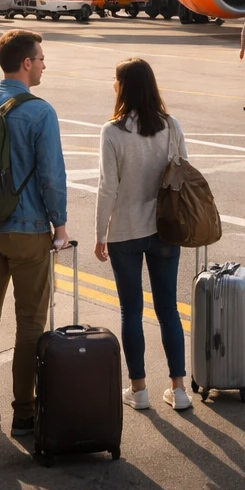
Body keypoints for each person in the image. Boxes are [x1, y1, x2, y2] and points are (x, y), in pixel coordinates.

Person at [0, 30, 69, 435]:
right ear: (25, 63)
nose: (43, 65)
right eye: (40, 58)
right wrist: (60, 224)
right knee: (30, 324)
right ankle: (24, 412)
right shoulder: (40, 112)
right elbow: (51, 176)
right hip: (27, 230)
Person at [94, 58, 192, 412]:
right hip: (165, 228)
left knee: (131, 311)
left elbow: (108, 187)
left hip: (125, 230)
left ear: (124, 87)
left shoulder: (113, 131)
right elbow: (183, 173)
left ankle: (139, 390)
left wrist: (100, 232)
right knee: (168, 309)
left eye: (115, 81)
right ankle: (179, 388)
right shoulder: (170, 125)